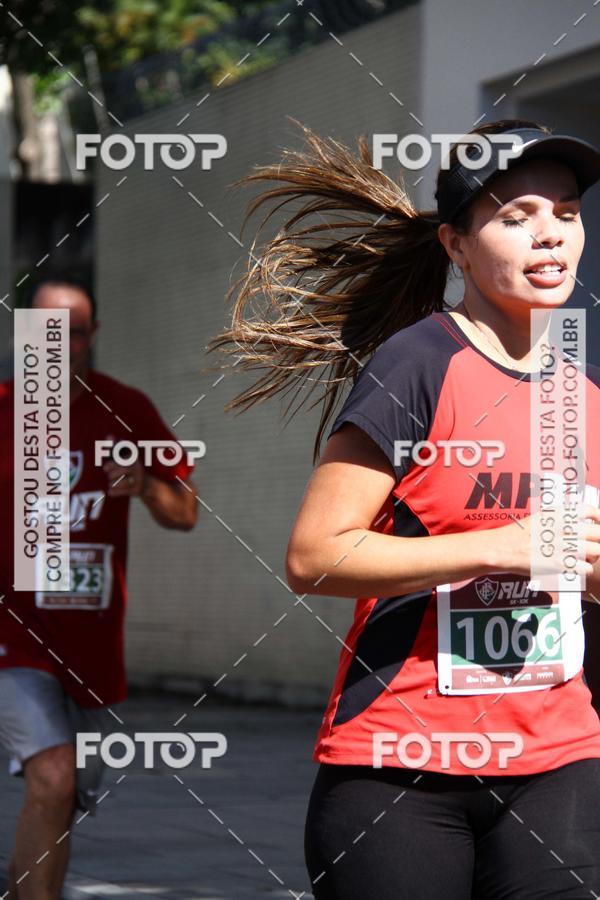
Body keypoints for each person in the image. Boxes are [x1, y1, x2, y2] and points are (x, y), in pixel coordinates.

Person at [210, 119, 600, 898]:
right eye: (515, 217)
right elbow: (316, 556)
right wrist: (506, 546)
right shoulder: (419, 364)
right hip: (403, 769)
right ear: (456, 246)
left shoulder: (583, 392)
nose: (549, 235)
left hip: (557, 760)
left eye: (565, 212)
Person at [0, 274, 198, 900]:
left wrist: (144, 484)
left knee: (63, 798)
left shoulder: (126, 409)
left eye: (75, 332)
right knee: (54, 777)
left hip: (91, 645)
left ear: (93, 336)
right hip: (14, 639)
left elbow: (185, 512)